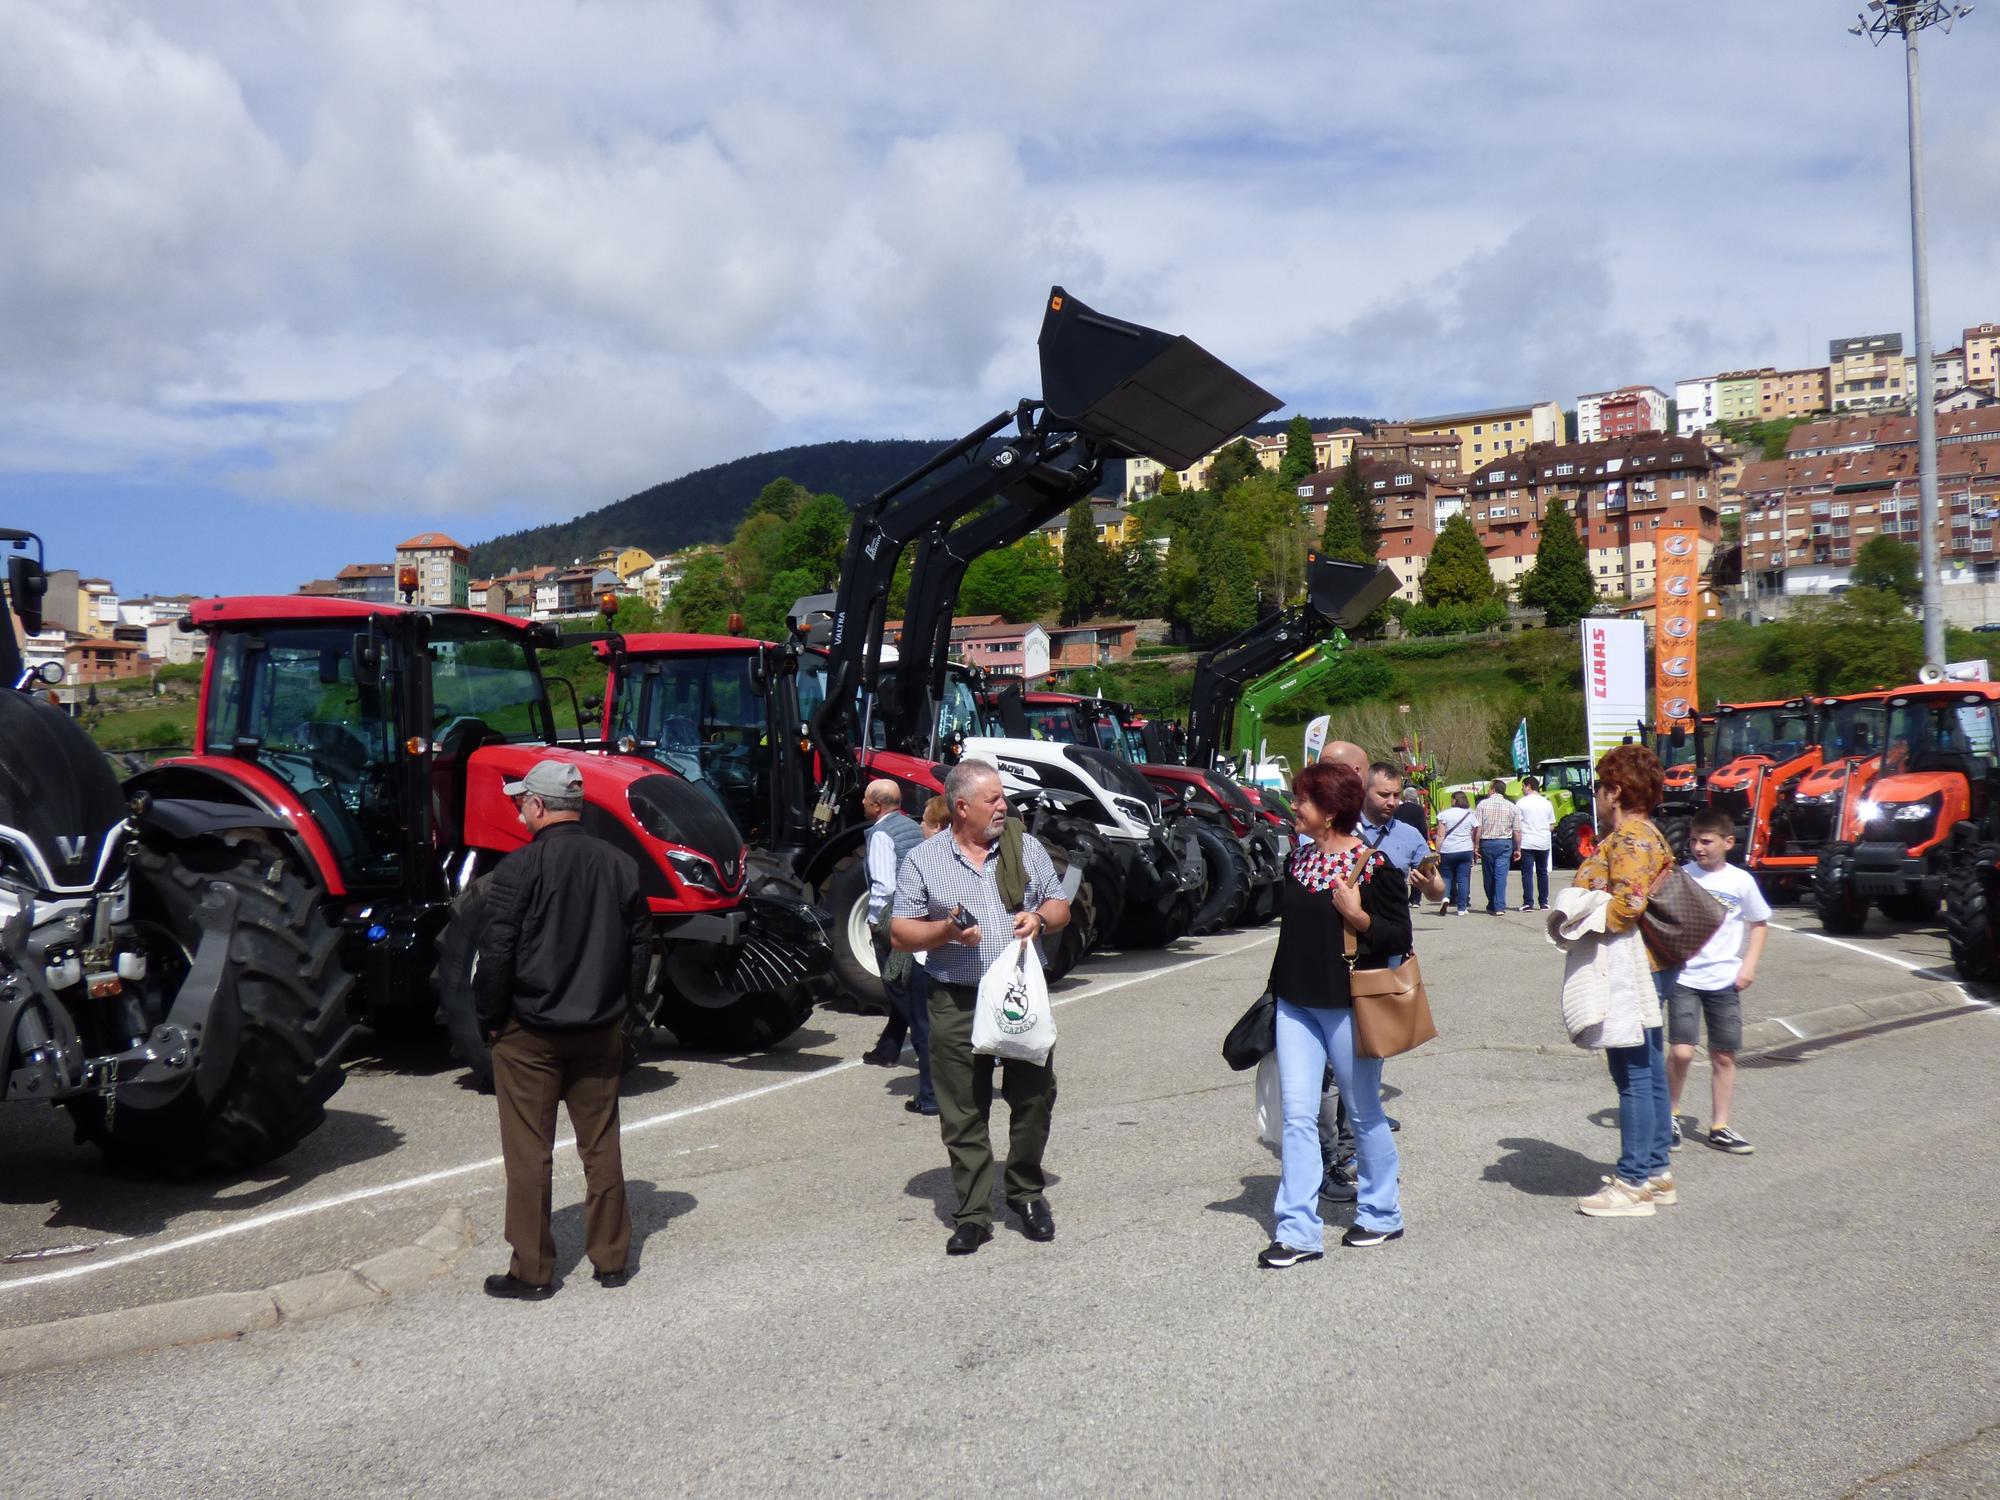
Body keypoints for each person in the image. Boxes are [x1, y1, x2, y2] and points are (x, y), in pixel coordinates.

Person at [474, 758, 649, 1299]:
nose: (519, 808)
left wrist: (490, 1017)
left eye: (521, 800)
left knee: (530, 1151)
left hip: (531, 1029)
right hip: (599, 1026)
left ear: (539, 805)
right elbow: (640, 945)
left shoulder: (518, 868)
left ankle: (533, 1270)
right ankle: (612, 1260)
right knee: (601, 1146)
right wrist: (627, 1009)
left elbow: (497, 951)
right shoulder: (620, 864)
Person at [891, 760, 1071, 1256]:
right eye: (993, 799)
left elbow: (1061, 906)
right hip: (955, 1000)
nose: (1004, 807)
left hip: (1017, 996)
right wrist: (945, 931)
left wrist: (1037, 917)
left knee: (1034, 1098)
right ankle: (972, 1213)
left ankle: (1026, 1194)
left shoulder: (1023, 847)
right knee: (962, 1111)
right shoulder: (925, 859)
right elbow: (901, 932)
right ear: (962, 807)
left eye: (1002, 797)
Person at [1258, 760, 1410, 1268]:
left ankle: (1382, 1213)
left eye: (1302, 800)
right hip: (1296, 1005)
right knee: (1298, 1117)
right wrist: (1273, 996)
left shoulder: (1374, 866)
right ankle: (1298, 1231)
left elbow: (1397, 938)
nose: (1293, 808)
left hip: (1350, 1007)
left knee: (1364, 1111)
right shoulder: (1295, 862)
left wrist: (1358, 915)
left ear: (1328, 811)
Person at [1569, 743, 1677, 1218]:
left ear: (1614, 791)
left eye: (1599, 786)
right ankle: (1655, 1172)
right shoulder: (1645, 832)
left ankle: (1633, 1183)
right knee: (1648, 1069)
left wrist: (1587, 918)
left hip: (1632, 968)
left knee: (1632, 1073)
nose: (1596, 795)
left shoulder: (1631, 837)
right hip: (1650, 966)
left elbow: (1628, 904)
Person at [1667, 809, 1768, 1156]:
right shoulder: (1682, 876)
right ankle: (1670, 1116)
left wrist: (1749, 966)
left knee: (1723, 1056)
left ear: (1728, 843)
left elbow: (1759, 923)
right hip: (1685, 977)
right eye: (1694, 840)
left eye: (1706, 841)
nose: (1697, 847)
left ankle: (1719, 1126)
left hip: (1725, 979)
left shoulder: (1740, 882)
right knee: (1681, 1050)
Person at [859, 781, 933, 1110]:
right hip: (918, 914)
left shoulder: (880, 836)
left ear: (876, 805)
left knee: (897, 988)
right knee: (902, 985)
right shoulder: (910, 826)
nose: (861, 801)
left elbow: (883, 885)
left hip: (894, 918)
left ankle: (934, 1062)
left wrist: (875, 921)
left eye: (865, 798)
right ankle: (888, 1049)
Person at [1474, 779, 1520, 915]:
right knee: (1501, 875)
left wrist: (1476, 845)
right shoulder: (1512, 806)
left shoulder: (1482, 805)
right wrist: (1518, 848)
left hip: (1487, 842)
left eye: (1489, 788)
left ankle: (1492, 902)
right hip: (1505, 843)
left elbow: (1478, 827)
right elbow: (1517, 830)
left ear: (1493, 789)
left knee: (1488, 875)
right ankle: (1499, 905)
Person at [1514, 774, 1556, 912]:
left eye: (1523, 787)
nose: (1522, 790)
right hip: (1543, 841)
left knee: (1527, 873)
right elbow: (1552, 825)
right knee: (1542, 872)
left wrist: (1517, 846)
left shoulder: (1521, 803)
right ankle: (1544, 902)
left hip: (1527, 841)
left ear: (1528, 786)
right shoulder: (1547, 802)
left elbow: (1517, 825)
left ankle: (1528, 902)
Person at [1435, 790, 1477, 916]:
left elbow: (1440, 835)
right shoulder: (1470, 815)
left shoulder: (1445, 814)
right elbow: (1474, 834)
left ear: (1454, 800)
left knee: (1446, 876)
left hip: (1448, 850)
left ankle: (1445, 897)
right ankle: (1462, 908)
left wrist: (1437, 851)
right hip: (1465, 849)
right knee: (1463, 878)